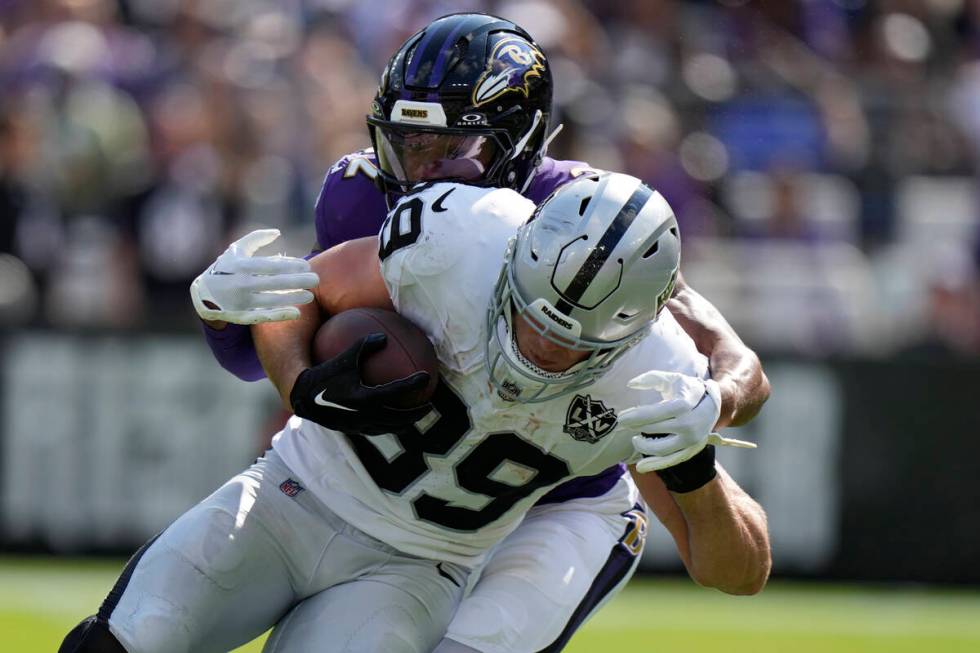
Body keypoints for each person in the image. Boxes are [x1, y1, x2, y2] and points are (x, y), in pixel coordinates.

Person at [186, 13, 771, 652]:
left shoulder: (579, 221)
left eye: (451, 152)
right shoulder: (360, 197)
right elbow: (291, 350)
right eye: (409, 145)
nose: (424, 173)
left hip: (560, 491)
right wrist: (228, 320)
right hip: (425, 493)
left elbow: (727, 360)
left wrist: (708, 410)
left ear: (518, 143)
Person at [61, 173, 770, 653]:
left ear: (634, 328)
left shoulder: (655, 375)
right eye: (529, 314)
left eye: (570, 338)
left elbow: (740, 569)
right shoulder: (461, 236)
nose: (539, 343)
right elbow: (304, 292)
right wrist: (299, 386)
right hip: (289, 497)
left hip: (414, 569)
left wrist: (694, 467)